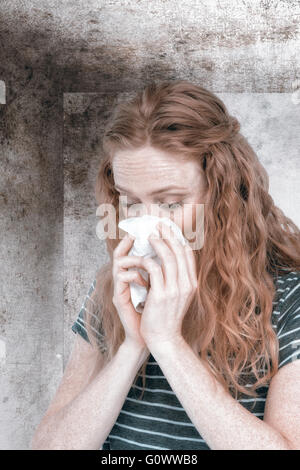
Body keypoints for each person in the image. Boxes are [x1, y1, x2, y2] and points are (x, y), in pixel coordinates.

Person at [30, 80, 300, 450]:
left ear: (223, 198)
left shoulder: (287, 298)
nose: (147, 223)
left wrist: (168, 343)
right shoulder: (114, 288)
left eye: (171, 203)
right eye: (131, 201)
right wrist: (132, 346)